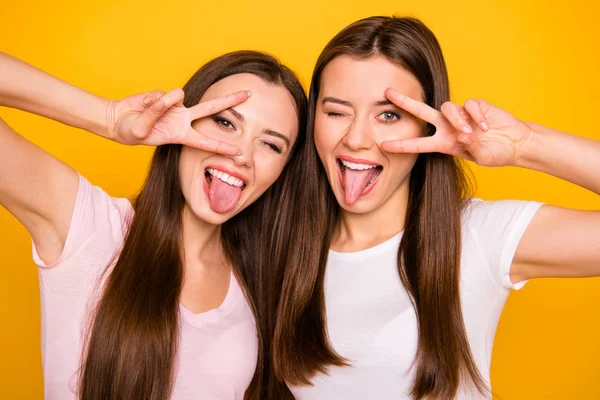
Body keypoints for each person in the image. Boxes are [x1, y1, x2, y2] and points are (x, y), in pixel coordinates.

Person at [272, 16, 600, 399]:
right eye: (336, 112)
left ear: (427, 128)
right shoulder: (283, 247)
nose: (357, 139)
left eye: (388, 115)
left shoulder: (477, 236)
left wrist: (525, 145)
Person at [0, 50, 310, 400]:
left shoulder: (263, 281)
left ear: (283, 172)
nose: (241, 154)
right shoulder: (89, 228)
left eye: (270, 144)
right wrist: (108, 116)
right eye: (224, 122)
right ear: (182, 121)